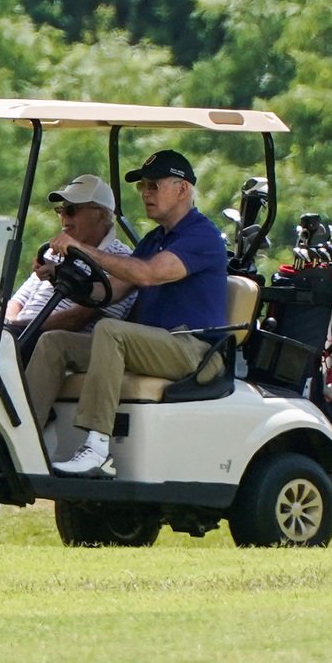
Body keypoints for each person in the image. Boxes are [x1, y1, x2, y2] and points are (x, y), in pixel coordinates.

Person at [23, 150, 229, 478]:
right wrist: (58, 274)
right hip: (154, 346)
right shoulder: (153, 240)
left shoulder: (201, 236)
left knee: (110, 329)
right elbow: (110, 291)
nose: (146, 193)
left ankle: (96, 449)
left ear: (182, 189)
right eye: (143, 187)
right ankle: (22, 444)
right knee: (54, 342)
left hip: (194, 350)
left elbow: (147, 274)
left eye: (154, 185)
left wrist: (82, 249)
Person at [6, 175, 137, 332]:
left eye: (71, 210)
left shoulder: (121, 262)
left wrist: (21, 329)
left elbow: (76, 319)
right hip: (21, 333)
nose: (63, 217)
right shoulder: (55, 251)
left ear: (100, 215)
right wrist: (7, 324)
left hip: (60, 342)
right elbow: (17, 301)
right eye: (61, 210)